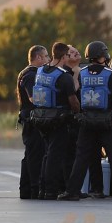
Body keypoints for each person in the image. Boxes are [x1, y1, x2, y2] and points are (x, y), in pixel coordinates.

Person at [59, 41, 112, 202]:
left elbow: (78, 93)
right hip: (107, 122)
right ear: (104, 55)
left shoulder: (82, 73)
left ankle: (72, 191)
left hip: (87, 122)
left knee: (81, 157)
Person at [30, 42, 80, 200]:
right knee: (54, 156)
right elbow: (73, 101)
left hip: (41, 118)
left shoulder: (40, 71)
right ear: (64, 56)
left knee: (47, 154)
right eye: (67, 56)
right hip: (58, 120)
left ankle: (42, 189)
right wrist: (77, 113)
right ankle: (51, 191)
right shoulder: (63, 76)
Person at [62, 45, 103, 198]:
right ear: (65, 58)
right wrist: (76, 75)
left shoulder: (86, 70)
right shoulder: (67, 74)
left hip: (90, 118)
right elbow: (72, 92)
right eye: (71, 52)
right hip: (74, 119)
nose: (75, 52)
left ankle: (97, 188)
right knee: (74, 155)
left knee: (95, 154)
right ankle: (71, 188)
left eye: (75, 50)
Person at [16, 45, 49, 199]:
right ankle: (34, 189)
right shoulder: (31, 74)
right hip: (32, 120)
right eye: (46, 56)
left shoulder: (27, 72)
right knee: (35, 155)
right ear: (38, 58)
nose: (48, 60)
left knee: (30, 155)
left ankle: (27, 190)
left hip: (30, 118)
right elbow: (33, 98)